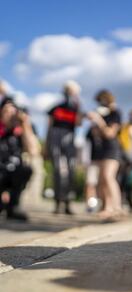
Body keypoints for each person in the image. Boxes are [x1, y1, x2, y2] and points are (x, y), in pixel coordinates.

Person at [0, 97, 39, 221]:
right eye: (7, 111)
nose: (11, 115)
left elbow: (33, 151)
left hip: (12, 172)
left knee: (26, 169)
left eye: (13, 112)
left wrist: (25, 124)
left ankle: (13, 206)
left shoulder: (20, 130)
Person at [87, 90, 124, 221]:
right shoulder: (102, 114)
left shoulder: (115, 113)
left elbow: (110, 134)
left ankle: (117, 207)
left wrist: (99, 121)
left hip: (112, 149)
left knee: (109, 177)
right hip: (100, 151)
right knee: (102, 180)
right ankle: (107, 208)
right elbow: (94, 135)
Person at [46, 81, 82, 215]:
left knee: (71, 172)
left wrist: (78, 107)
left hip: (69, 141)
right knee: (57, 172)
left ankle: (67, 202)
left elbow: (78, 124)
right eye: (68, 91)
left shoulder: (76, 108)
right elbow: (49, 127)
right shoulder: (55, 108)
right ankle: (57, 203)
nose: (70, 94)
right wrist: (47, 146)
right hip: (55, 140)